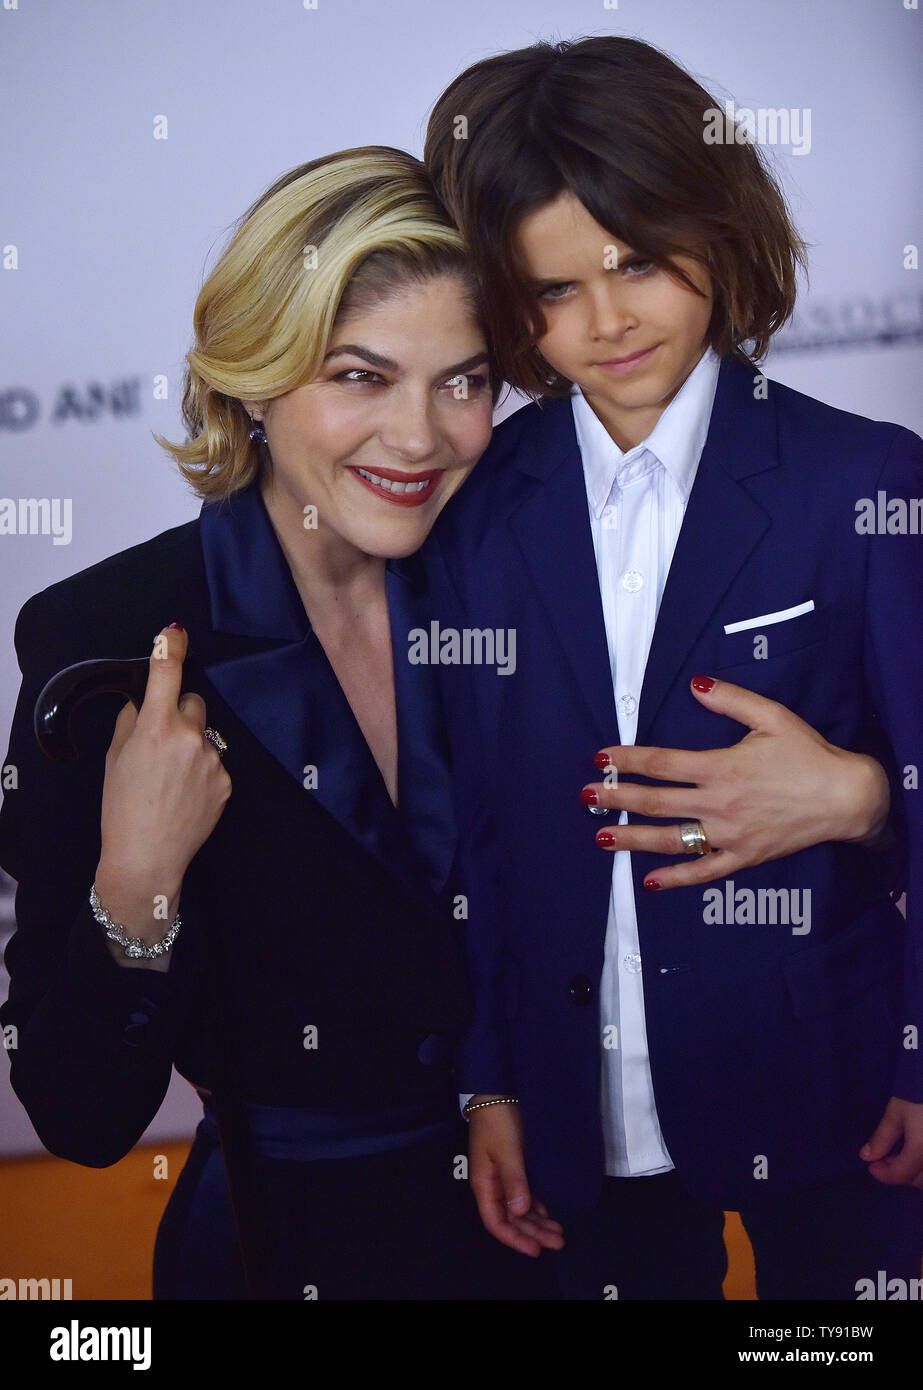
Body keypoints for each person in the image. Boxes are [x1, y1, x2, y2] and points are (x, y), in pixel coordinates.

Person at [422, 36, 923, 1299]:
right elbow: (471, 831)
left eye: (636, 261)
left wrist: (862, 799)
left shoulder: (859, 480)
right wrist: (489, 1073)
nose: (606, 321)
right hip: (573, 1119)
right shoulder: (473, 514)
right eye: (551, 290)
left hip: (841, 1091)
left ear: (713, 222)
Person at [0, 146, 537, 1300]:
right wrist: (139, 877)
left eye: (465, 380)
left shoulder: (516, 585)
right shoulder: (104, 638)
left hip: (547, 1230)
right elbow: (80, 1113)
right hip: (275, 1248)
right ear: (250, 376)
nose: (420, 435)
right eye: (360, 375)